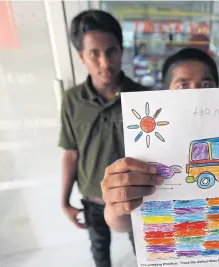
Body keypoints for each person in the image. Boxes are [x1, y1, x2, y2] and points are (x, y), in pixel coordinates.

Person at [59, 10, 149, 267]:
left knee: (143, 251)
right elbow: (70, 153)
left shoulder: (144, 97)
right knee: (99, 250)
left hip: (133, 196)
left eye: (111, 51)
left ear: (122, 50)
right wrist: (64, 201)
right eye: (94, 54)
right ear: (81, 57)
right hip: (91, 197)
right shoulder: (72, 100)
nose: (105, 63)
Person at [100, 48, 219, 234]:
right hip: (169, 244)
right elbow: (121, 224)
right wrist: (117, 204)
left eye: (206, 85)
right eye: (183, 86)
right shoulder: (147, 142)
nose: (195, 94)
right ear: (166, 93)